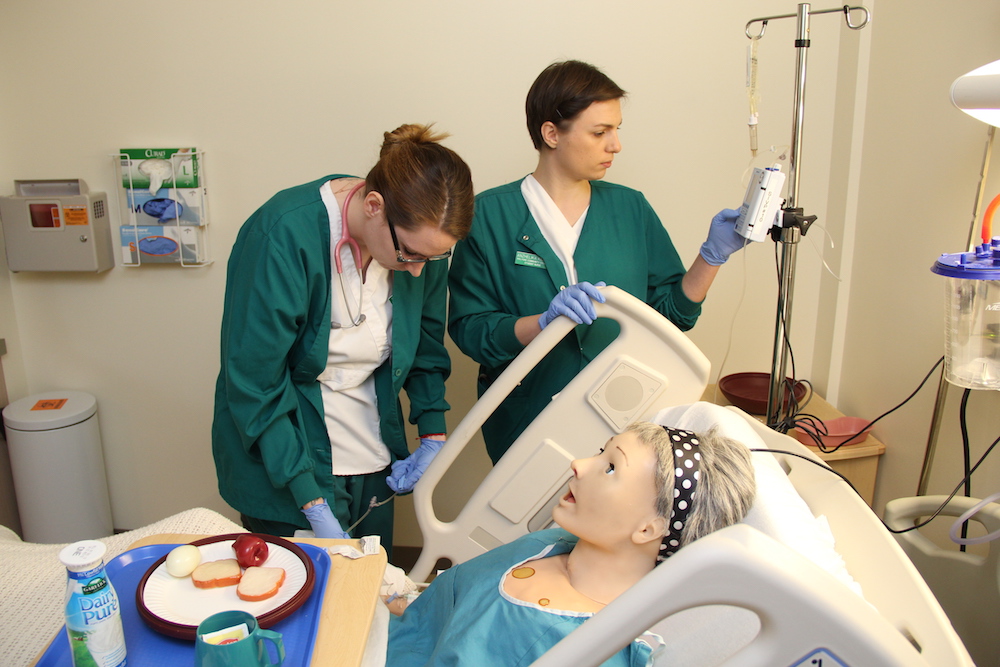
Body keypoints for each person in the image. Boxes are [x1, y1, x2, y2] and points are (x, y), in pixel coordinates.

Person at [449, 60, 746, 463]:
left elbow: (670, 318)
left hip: (625, 425)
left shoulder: (630, 209)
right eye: (600, 132)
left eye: (616, 129)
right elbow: (471, 330)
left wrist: (711, 258)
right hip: (527, 426)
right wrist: (540, 325)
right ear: (551, 134)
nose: (615, 145)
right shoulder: (488, 216)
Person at [212, 124, 474, 555]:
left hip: (370, 450)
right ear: (374, 205)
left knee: (367, 590)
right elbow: (255, 382)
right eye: (410, 254)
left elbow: (425, 345)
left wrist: (432, 433)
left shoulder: (420, 248)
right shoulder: (280, 235)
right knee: (303, 595)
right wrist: (311, 500)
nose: (417, 272)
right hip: (284, 448)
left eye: (433, 258)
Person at [386, 421, 757, 666]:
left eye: (611, 467)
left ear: (649, 529)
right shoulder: (551, 542)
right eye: (601, 452)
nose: (579, 464)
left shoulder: (590, 648)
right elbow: (447, 606)